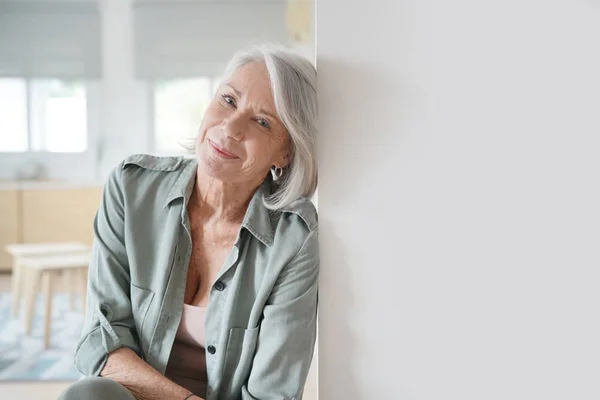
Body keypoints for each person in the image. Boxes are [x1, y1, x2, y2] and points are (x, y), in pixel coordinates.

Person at [58, 44, 318, 400]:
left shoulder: (294, 238)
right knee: (89, 394)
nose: (230, 127)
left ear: (285, 153)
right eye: (228, 100)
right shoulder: (131, 186)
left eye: (262, 122)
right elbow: (101, 339)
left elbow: (273, 392)